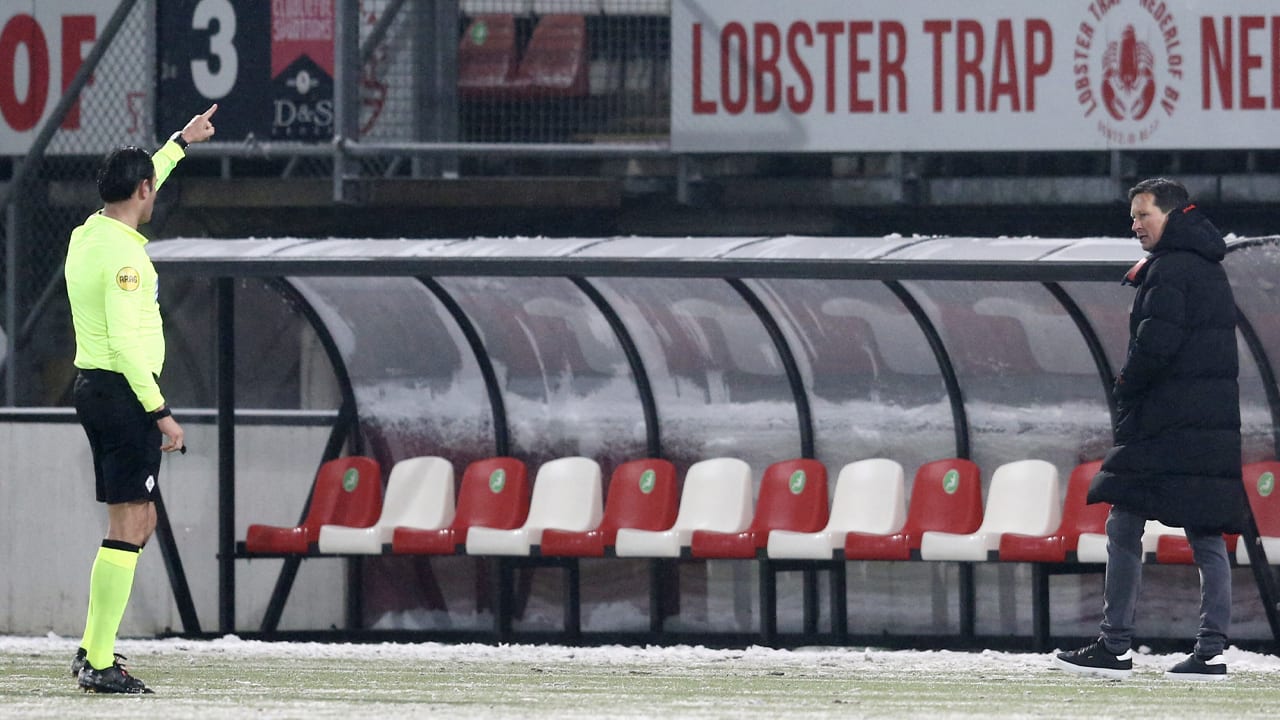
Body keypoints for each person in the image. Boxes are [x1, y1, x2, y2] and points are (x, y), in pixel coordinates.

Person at [1053, 178, 1248, 681]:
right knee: (1205, 529)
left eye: (1143, 215)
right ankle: (1212, 650)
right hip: (1207, 420)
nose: (1135, 225)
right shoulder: (1205, 264)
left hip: (1167, 421)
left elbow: (1155, 344)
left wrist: (1126, 385)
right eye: (1133, 217)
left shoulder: (1171, 268)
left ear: (1172, 214)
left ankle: (1115, 645)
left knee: (1123, 521)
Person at [64, 105, 218, 694]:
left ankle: (91, 647)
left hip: (95, 390)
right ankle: (98, 660)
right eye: (151, 187)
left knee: (138, 519)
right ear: (143, 192)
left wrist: (179, 142)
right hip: (125, 394)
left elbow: (141, 176)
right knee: (130, 522)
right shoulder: (127, 256)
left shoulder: (89, 233)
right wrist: (162, 413)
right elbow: (129, 345)